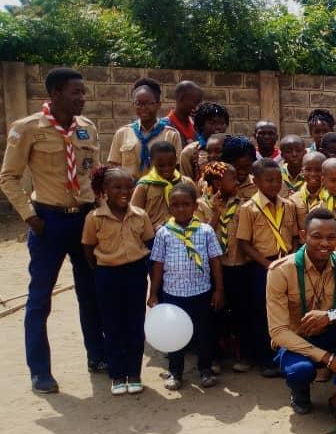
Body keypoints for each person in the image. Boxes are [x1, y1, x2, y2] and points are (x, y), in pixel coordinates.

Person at [0, 68, 106, 392]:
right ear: (56, 94)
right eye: (76, 93)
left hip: (84, 219)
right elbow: (8, 177)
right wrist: (30, 217)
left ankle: (97, 356)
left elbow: (93, 175)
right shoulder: (27, 128)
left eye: (83, 92)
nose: (83, 98)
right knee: (40, 298)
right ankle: (40, 370)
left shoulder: (86, 129)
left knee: (90, 293)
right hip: (48, 221)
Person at [267, 207, 336, 419]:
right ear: (303, 236)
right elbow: (278, 332)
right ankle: (300, 392)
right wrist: (329, 360)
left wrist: (331, 316)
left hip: (332, 332)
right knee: (299, 371)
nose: (325, 244)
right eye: (317, 236)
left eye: (331, 237)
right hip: (297, 340)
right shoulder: (280, 271)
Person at [82, 166, 153, 395]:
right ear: (105, 190)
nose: (124, 191)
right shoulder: (94, 218)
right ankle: (117, 374)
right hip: (107, 274)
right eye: (117, 187)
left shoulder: (140, 216)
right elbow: (88, 247)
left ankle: (134, 373)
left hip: (135, 274)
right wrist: (101, 269)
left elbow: (149, 243)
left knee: (134, 323)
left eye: (128, 187)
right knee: (112, 325)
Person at [148, 181, 224, 390]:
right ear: (169, 207)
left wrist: (219, 290)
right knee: (174, 334)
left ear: (194, 206)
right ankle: (175, 371)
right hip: (173, 294)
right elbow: (158, 264)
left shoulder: (205, 230)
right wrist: (153, 293)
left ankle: (205, 370)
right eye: (175, 205)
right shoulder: (164, 233)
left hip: (201, 292)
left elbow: (215, 261)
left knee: (204, 334)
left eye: (186, 204)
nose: (181, 209)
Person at [237, 158, 300, 376]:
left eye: (278, 180)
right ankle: (265, 359)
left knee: (286, 311)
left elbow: (293, 237)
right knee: (262, 312)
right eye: (269, 180)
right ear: (255, 181)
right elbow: (244, 243)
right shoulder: (248, 209)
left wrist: (290, 256)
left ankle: (286, 354)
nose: (274, 184)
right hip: (261, 266)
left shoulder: (288, 205)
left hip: (286, 263)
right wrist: (268, 264)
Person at [197, 160, 249, 372]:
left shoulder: (243, 203)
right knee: (214, 313)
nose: (237, 181)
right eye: (232, 178)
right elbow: (201, 237)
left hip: (238, 264)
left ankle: (244, 355)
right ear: (218, 182)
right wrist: (217, 213)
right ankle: (215, 357)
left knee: (242, 312)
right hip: (213, 267)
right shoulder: (201, 205)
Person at [106, 78, 182, 181]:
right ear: (133, 104)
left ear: (159, 104)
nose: (143, 107)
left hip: (159, 192)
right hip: (129, 192)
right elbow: (114, 167)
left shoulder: (171, 134)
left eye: (148, 103)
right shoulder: (123, 133)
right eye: (138, 103)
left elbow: (176, 169)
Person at [131, 140, 191, 229]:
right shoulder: (144, 186)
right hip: (152, 236)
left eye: (170, 164)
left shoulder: (186, 183)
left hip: (184, 234)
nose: (166, 168)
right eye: (161, 165)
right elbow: (135, 215)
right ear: (151, 161)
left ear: (176, 159)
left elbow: (196, 210)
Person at [179, 102, 230, 181]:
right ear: (201, 125)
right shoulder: (190, 152)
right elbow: (186, 183)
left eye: (222, 123)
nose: (218, 127)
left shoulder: (232, 149)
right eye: (212, 123)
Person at [162, 81, 204, 145]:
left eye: (199, 103)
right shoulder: (164, 126)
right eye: (195, 102)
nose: (197, 107)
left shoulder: (195, 124)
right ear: (180, 99)